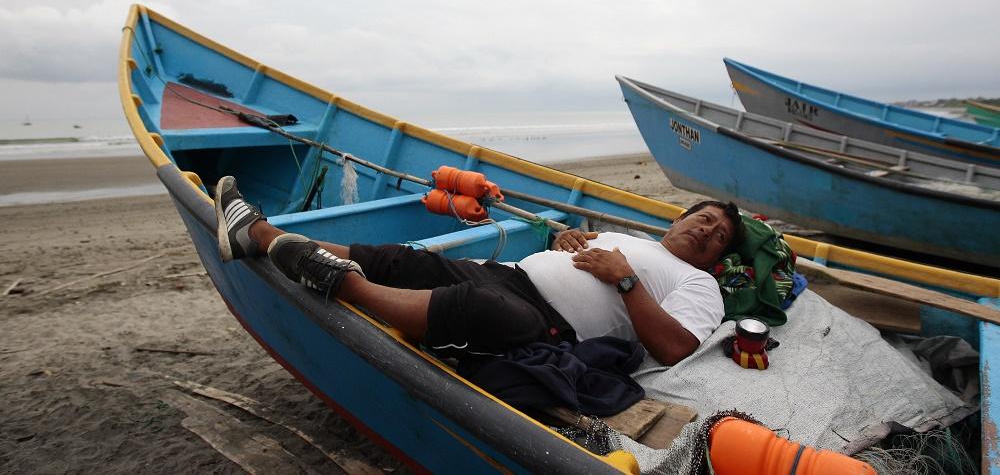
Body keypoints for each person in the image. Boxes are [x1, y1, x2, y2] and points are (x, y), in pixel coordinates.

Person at [215, 176, 744, 366]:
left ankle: (338, 280)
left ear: (716, 258)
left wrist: (625, 278)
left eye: (717, 235)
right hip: (513, 274)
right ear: (681, 217)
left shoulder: (699, 284)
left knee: (479, 310)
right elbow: (578, 255)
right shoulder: (631, 238)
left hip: (551, 324)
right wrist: (565, 240)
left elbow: (674, 349)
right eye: (703, 218)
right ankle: (256, 233)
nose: (705, 229)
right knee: (410, 259)